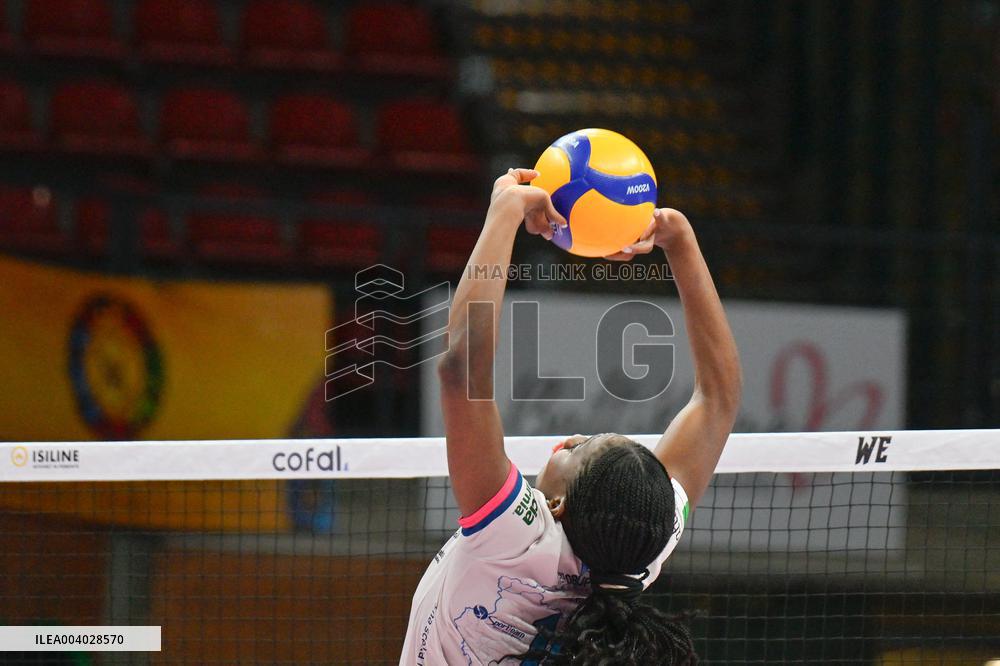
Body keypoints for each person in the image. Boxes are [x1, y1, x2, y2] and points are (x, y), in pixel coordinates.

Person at [400, 168, 742, 665]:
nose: (571, 437)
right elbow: (718, 398)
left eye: (579, 449)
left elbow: (461, 367)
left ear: (555, 504)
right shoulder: (636, 543)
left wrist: (505, 212)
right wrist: (681, 241)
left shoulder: (519, 536)